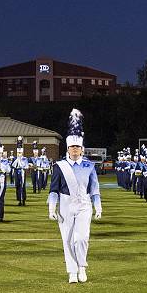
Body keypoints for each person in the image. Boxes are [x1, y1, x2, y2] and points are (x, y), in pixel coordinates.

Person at [48, 109, 101, 283]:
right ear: (68, 148)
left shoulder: (89, 166)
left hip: (84, 204)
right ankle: (72, 271)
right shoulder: (60, 166)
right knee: (67, 239)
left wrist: (97, 206)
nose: (75, 150)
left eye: (77, 147)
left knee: (81, 237)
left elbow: (94, 189)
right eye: (72, 147)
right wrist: (51, 207)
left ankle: (81, 267)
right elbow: (53, 189)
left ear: (82, 148)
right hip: (65, 204)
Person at [11, 136, 29, 206]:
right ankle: (19, 199)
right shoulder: (15, 158)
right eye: (18, 153)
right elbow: (12, 165)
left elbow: (26, 166)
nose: (19, 154)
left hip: (22, 172)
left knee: (22, 186)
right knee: (17, 186)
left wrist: (23, 165)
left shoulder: (24, 159)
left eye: (20, 153)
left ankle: (23, 199)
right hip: (16, 172)